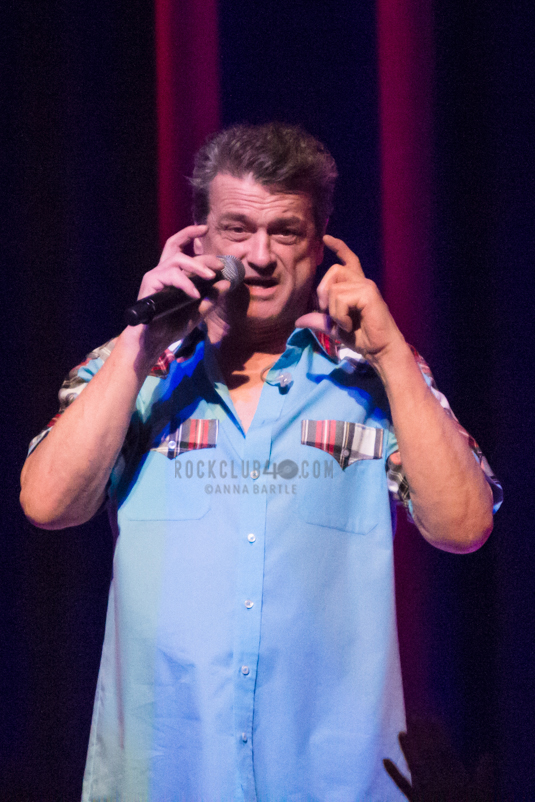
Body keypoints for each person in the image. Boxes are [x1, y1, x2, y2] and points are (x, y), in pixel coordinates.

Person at [20, 123, 501, 801]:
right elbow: (47, 505)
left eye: (286, 231)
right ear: (199, 239)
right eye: (237, 229)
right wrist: (139, 346)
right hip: (165, 777)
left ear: (321, 245)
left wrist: (392, 355)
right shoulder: (132, 369)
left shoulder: (374, 379)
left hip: (331, 782)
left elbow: (463, 527)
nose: (261, 255)